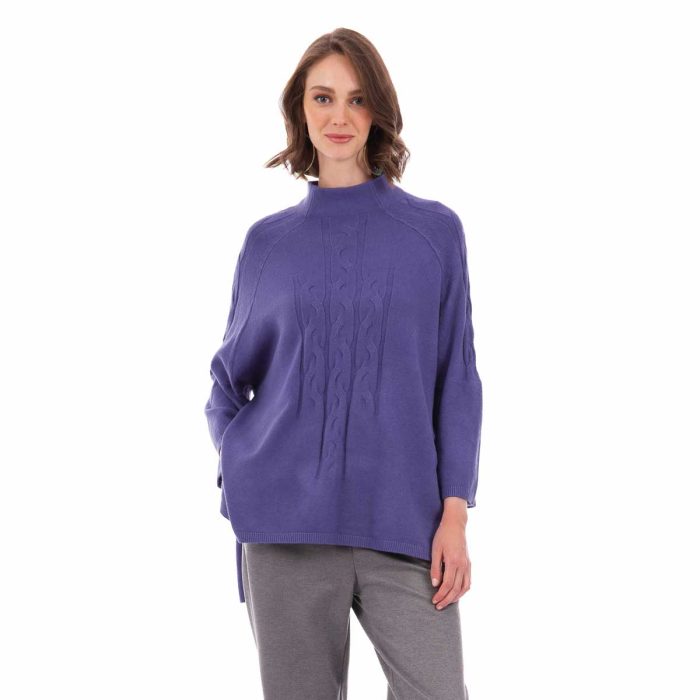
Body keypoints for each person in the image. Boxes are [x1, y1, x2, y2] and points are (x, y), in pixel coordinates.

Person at [204, 27, 483, 700]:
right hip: (285, 531)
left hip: (405, 524)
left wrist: (454, 514)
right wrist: (244, 467)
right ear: (300, 108)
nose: (339, 116)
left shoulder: (434, 232)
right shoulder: (268, 244)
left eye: (357, 99)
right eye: (322, 97)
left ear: (378, 111)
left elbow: (457, 379)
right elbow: (227, 383)